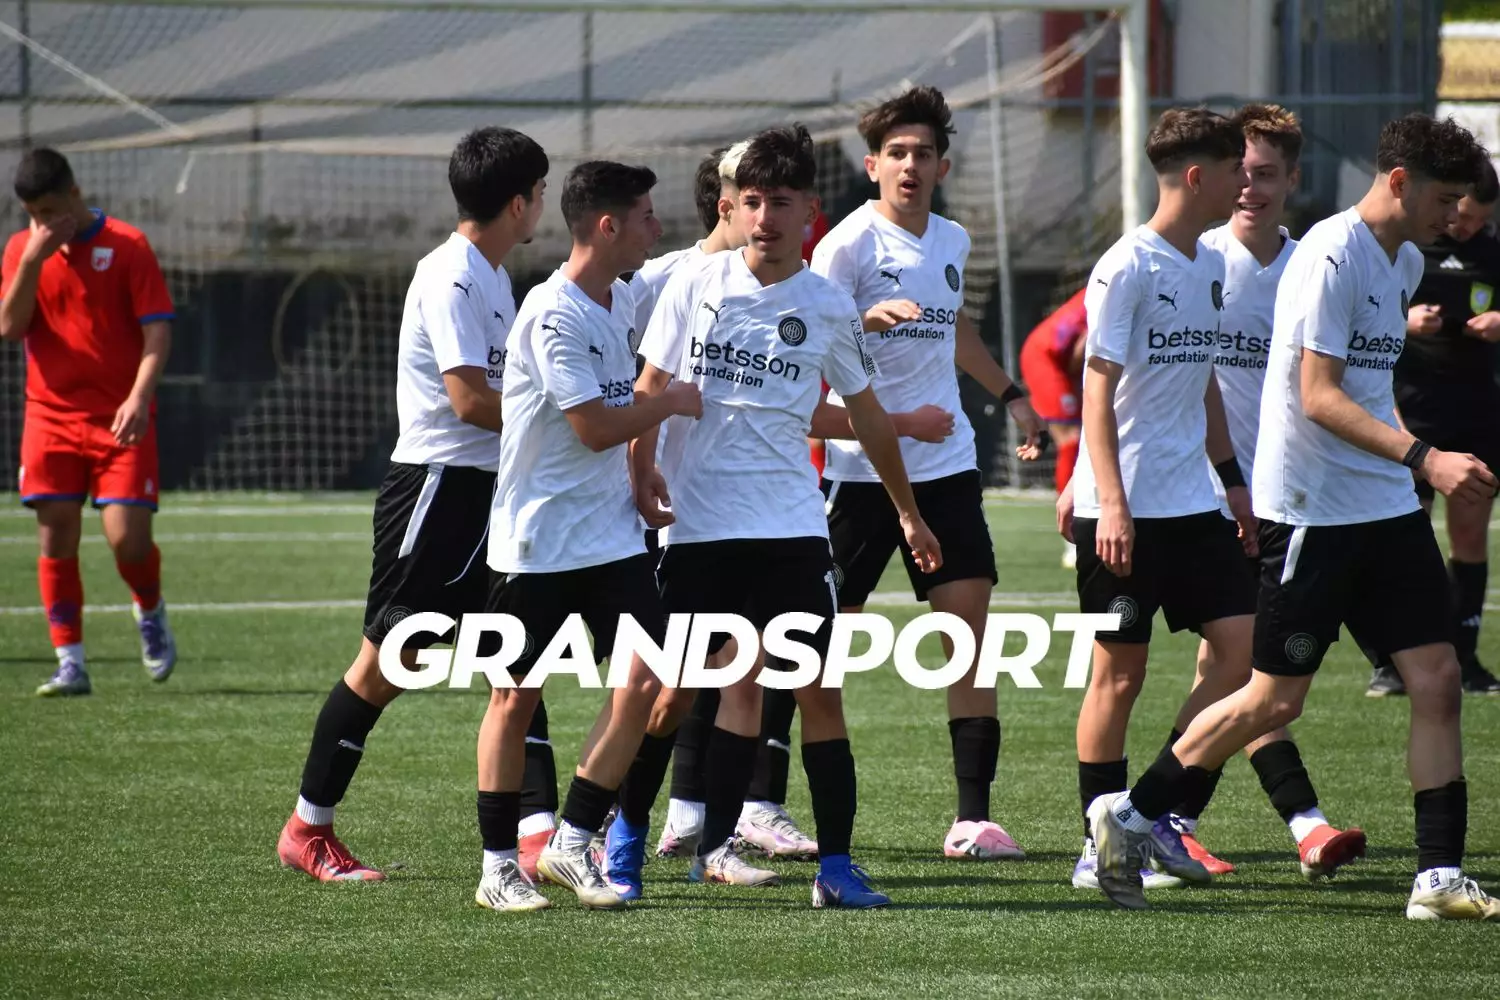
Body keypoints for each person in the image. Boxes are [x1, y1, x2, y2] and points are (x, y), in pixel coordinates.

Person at [1086, 113, 1500, 921]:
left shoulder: (1406, 258)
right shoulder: (1330, 256)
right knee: (1273, 701)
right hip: (1312, 511)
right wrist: (1428, 458)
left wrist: (1414, 462)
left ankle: (1438, 877)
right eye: (1444, 199)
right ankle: (1131, 815)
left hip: (1384, 506)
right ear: (1399, 183)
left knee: (1439, 678)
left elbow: (1369, 386)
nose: (1456, 217)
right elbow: (1318, 397)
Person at [633, 123, 941, 908]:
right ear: (734, 206)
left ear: (809, 210)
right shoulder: (693, 285)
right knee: (671, 696)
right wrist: (642, 476)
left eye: (781, 203)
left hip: (793, 534)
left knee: (817, 694)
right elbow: (650, 390)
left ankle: (834, 868)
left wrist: (908, 513)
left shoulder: (830, 306)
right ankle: (626, 845)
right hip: (700, 530)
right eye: (753, 201)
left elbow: (866, 417)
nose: (765, 217)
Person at [277, 126, 548, 883]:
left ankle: (536, 835)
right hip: (436, 491)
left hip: (490, 492)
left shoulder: (494, 276)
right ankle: (307, 828)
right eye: (540, 194)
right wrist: (567, 420)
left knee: (518, 660)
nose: (543, 207)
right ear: (518, 203)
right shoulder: (452, 275)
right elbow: (469, 402)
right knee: (388, 662)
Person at [810, 85, 1046, 864]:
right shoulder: (845, 246)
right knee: (817, 642)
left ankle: (973, 819)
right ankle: (758, 803)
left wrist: (1011, 395)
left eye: (924, 153)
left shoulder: (952, 239)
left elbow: (955, 329)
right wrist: (863, 320)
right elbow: (804, 340)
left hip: (946, 468)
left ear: (943, 166)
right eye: (897, 153)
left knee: (968, 638)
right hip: (860, 473)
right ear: (872, 165)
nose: (910, 165)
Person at [474, 159, 703, 912]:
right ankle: (497, 866)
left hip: (610, 539)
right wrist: (670, 402)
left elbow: (699, 264)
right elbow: (596, 427)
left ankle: (572, 843)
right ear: (608, 227)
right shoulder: (553, 314)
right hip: (537, 545)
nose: (656, 228)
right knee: (514, 699)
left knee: (649, 681)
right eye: (646, 216)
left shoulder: (622, 294)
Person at [1062, 106, 1256, 894]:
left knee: (1244, 657)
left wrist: (1232, 480)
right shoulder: (1127, 266)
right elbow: (1097, 388)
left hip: (1193, 503)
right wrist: (1108, 502)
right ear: (1199, 176)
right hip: (1126, 510)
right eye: (1236, 171)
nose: (1246, 185)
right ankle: (1096, 847)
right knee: (1120, 676)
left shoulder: (1208, 263)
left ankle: (1152, 812)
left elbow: (1202, 380)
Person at [1173, 103, 1365, 880]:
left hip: (1288, 501)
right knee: (1246, 670)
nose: (1250, 187)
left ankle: (1167, 818)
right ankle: (1293, 823)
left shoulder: (1311, 267)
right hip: (1206, 498)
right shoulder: (1196, 258)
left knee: (1241, 675)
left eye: (1266, 174)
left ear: (1292, 180)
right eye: (1241, 172)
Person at [1, 148, 178, 697]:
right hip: (49, 416)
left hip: (120, 419)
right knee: (55, 532)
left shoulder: (127, 245)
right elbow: (10, 327)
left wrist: (138, 398)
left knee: (128, 540)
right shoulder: (22, 250)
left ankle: (149, 607)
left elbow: (157, 332)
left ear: (75, 196)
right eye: (33, 214)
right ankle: (70, 661)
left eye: (51, 211)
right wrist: (32, 260)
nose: (43, 223)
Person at [1367, 158, 1500, 697]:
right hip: (1411, 412)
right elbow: (1361, 319)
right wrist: (1405, 323)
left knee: (1469, 535)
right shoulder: (1410, 248)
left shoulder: (1492, 251)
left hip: (1476, 413)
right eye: (1462, 215)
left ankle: (1465, 659)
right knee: (1405, 540)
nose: (1467, 228)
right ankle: (1390, 661)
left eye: (1481, 220)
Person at [1019, 285, 1087, 567]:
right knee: (1073, 439)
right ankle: (1073, 536)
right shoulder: (1120, 281)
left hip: (1062, 361)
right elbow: (1085, 344)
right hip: (1046, 359)